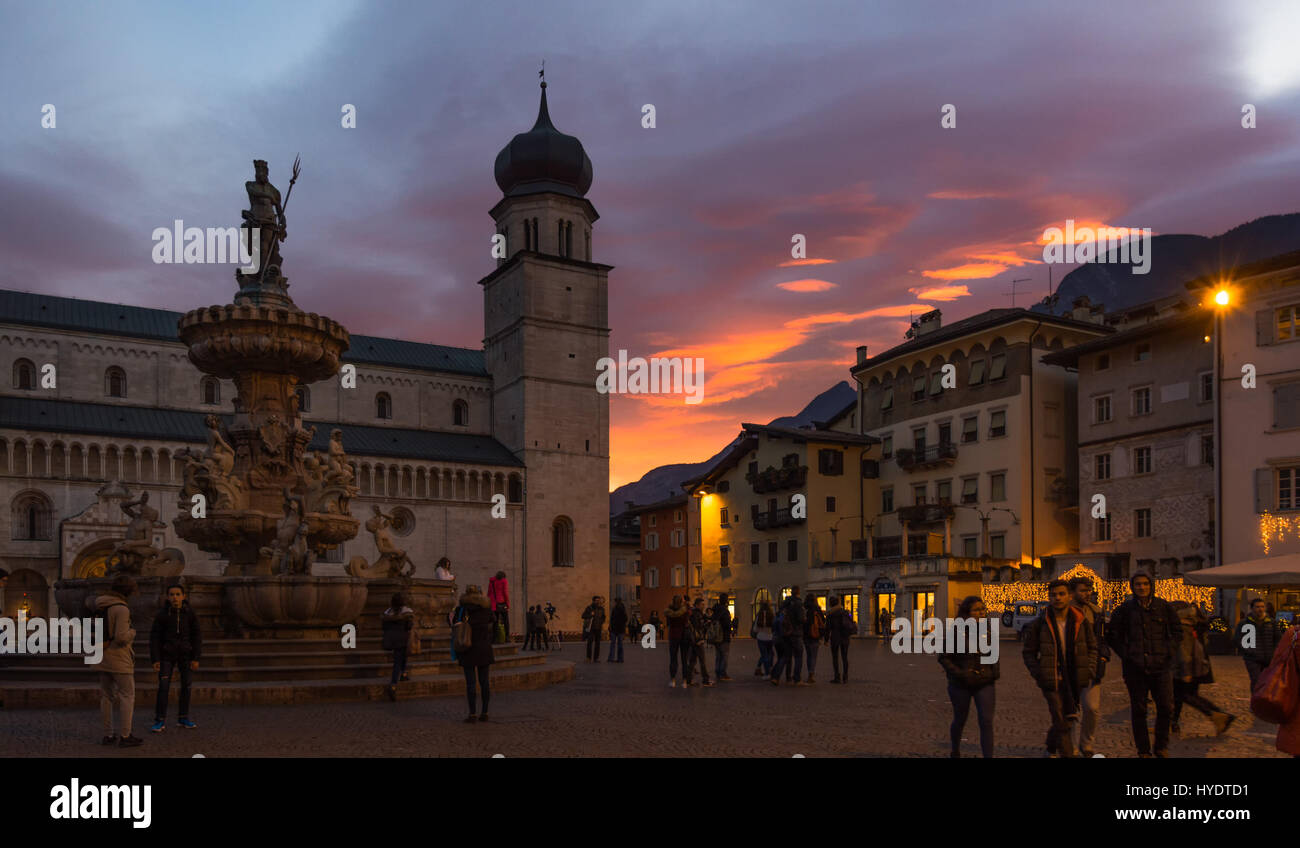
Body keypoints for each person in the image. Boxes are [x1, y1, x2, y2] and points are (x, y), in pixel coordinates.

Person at [1107, 572, 1181, 758]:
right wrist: (1127, 655)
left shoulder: (1163, 607)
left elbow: (1177, 631)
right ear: (1133, 587)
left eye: (1145, 584)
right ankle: (1143, 750)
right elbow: (1113, 635)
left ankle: (1161, 746)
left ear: (1151, 586)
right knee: (1139, 710)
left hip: (1161, 666)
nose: (1142, 587)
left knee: (1165, 707)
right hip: (1135, 668)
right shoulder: (1125, 609)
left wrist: (1169, 652)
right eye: (1138, 584)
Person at [1023, 579, 1097, 758]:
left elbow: (1092, 647)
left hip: (1074, 677)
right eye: (1053, 595)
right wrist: (1039, 674)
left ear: (1069, 595)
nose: (1057, 598)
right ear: (1049, 597)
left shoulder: (1080, 620)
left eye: (1061, 594)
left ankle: (1050, 747)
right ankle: (1067, 754)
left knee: (1066, 717)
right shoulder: (1039, 623)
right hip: (1051, 678)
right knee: (1060, 718)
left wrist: (1089, 670)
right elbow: (1028, 653)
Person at [939, 596, 999, 757]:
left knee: (986, 721)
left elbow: (994, 654)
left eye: (982, 609)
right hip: (960, 684)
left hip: (985, 682)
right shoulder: (956, 631)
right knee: (960, 719)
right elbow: (944, 657)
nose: (981, 613)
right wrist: (961, 673)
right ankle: (955, 750)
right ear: (967, 612)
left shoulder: (988, 629)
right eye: (976, 610)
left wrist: (993, 673)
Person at [1171, 601, 1236, 736]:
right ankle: (1172, 723)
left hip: (1187, 667)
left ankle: (1218, 715)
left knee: (1183, 695)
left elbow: (1184, 650)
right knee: (1182, 696)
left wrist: (1185, 671)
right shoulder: (1195, 622)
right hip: (1198, 666)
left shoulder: (1182, 625)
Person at [149, 582, 202, 732]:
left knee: (186, 686)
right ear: (168, 596)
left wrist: (196, 657)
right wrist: (155, 659)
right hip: (166, 654)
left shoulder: (190, 613)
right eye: (172, 594)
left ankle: (183, 718)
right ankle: (160, 720)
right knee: (163, 687)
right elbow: (155, 637)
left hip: (185, 654)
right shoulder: (162, 614)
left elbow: (197, 636)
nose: (175, 597)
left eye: (178, 594)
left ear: (183, 596)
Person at [96, 575, 142, 748]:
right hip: (118, 657)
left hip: (101, 654)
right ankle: (125, 735)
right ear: (129, 591)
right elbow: (121, 637)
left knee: (106, 696)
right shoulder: (121, 609)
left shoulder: (100, 604)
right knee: (127, 695)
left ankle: (108, 735)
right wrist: (133, 632)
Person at [1069, 576, 1109, 757]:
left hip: (1092, 666)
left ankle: (1087, 743)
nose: (1087, 593)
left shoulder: (1096, 612)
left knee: (1092, 708)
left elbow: (1102, 639)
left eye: (1089, 590)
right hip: (1070, 666)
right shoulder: (1065, 611)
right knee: (1069, 710)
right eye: (1083, 590)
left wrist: (1103, 657)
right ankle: (1070, 746)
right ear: (1073, 592)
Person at [455, 585, 495, 723]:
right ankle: (485, 712)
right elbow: (493, 621)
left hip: (468, 648)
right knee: (485, 682)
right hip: (484, 648)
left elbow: (453, 624)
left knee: (470, 684)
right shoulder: (486, 610)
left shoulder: (462, 609)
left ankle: (472, 714)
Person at [1236, 597, 1281, 691]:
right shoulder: (1245, 623)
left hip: (1269, 658)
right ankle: (1256, 702)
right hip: (1252, 659)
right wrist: (1249, 652)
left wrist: (1274, 653)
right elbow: (1238, 640)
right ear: (1252, 608)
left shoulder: (1271, 622)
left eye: (1262, 606)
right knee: (1256, 680)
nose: (1260, 609)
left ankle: (1264, 701)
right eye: (1257, 607)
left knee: (1268, 681)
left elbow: (1278, 638)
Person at [381, 592, 414, 702]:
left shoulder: (388, 613)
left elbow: (384, 626)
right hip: (403, 639)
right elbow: (409, 626)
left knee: (401, 656)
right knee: (398, 662)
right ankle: (393, 684)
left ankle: (404, 673)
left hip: (392, 639)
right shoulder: (406, 613)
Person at [771, 587, 807, 686]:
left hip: (785, 633)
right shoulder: (798, 604)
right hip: (796, 633)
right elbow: (800, 619)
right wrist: (804, 619)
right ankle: (797, 679)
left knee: (785, 656)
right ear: (798, 592)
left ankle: (776, 677)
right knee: (798, 656)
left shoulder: (785, 604)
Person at [826, 596, 857, 683]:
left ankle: (837, 677)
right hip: (845, 637)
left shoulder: (830, 614)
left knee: (835, 658)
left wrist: (825, 639)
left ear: (831, 604)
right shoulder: (845, 612)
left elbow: (827, 628)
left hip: (835, 637)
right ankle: (845, 677)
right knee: (844, 657)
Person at [686, 597, 714, 687]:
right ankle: (705, 680)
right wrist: (707, 624)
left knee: (692, 661)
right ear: (697, 605)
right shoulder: (696, 614)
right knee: (702, 661)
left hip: (694, 640)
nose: (704, 606)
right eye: (702, 604)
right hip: (698, 640)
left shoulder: (696, 613)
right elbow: (698, 627)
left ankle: (689, 680)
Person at [664, 595, 691, 687]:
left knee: (673, 659)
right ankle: (684, 681)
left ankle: (673, 680)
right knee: (684, 659)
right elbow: (687, 620)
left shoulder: (668, 611)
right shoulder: (685, 611)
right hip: (683, 635)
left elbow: (668, 623)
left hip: (673, 635)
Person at [803, 593, 827, 684]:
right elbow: (823, 621)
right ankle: (811, 674)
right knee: (813, 656)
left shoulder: (805, 609)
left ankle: (810, 671)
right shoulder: (817, 609)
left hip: (806, 635)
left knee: (809, 655)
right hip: (815, 635)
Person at [711, 595, 733, 681]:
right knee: (724, 655)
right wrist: (731, 626)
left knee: (718, 655)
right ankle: (722, 673)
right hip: (724, 636)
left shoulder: (715, 610)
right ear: (726, 601)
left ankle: (717, 672)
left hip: (716, 636)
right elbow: (727, 624)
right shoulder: (725, 611)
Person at [753, 600, 775, 676]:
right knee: (770, 654)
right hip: (770, 637)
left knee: (764, 655)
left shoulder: (759, 615)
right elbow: (774, 627)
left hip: (761, 638)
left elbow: (755, 629)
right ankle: (770, 668)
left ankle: (766, 673)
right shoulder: (771, 615)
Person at [487, 570, 510, 643]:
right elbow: (505, 593)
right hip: (502, 603)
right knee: (506, 621)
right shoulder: (504, 581)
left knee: (495, 622)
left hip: (493, 605)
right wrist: (508, 604)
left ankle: (494, 639)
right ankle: (507, 637)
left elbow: (489, 593)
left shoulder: (492, 581)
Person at [581, 595, 606, 662]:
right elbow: (583, 616)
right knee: (590, 643)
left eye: (599, 600)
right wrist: (590, 615)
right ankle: (588, 658)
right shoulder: (589, 608)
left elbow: (604, 617)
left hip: (598, 628)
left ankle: (596, 658)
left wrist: (601, 622)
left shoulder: (601, 609)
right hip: (591, 628)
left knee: (597, 644)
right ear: (593, 601)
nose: (598, 602)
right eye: (596, 600)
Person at [608, 598, 628, 662]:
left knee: (613, 644)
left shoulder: (618, 609)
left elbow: (612, 619)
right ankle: (620, 659)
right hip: (620, 629)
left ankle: (612, 658)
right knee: (619, 645)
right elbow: (625, 619)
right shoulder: (622, 609)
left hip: (616, 629)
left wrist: (611, 626)